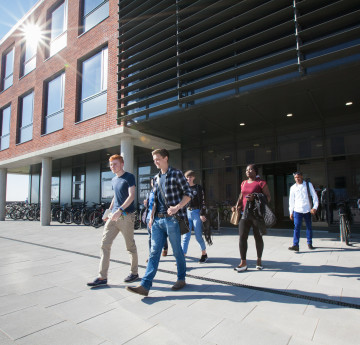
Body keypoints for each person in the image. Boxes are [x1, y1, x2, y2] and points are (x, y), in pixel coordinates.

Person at [126, 148, 192, 296]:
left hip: (172, 220)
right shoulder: (155, 178)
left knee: (177, 251)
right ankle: (145, 285)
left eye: (158, 159)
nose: (155, 162)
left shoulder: (176, 174)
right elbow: (155, 200)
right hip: (157, 221)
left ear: (166, 158)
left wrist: (177, 207)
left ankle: (181, 278)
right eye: (154, 159)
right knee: (154, 252)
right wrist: (151, 217)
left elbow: (189, 194)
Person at [87, 154, 139, 287]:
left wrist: (120, 210)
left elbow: (132, 196)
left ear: (122, 164)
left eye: (115, 164)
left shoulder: (129, 177)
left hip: (125, 216)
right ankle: (102, 277)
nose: (113, 167)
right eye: (111, 165)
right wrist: (108, 212)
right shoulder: (114, 180)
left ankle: (134, 273)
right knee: (105, 244)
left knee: (130, 246)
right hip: (113, 216)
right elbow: (115, 198)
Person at [232, 164, 271, 272]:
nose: (248, 171)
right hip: (245, 214)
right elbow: (241, 196)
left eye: (250, 169)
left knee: (258, 237)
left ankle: (259, 260)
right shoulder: (243, 183)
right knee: (242, 237)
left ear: (255, 171)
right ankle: (243, 262)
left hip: (257, 215)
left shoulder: (261, 183)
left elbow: (268, 197)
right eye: (246, 170)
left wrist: (256, 197)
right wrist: (236, 206)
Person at [182, 170, 209, 263]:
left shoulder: (198, 187)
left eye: (190, 177)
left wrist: (202, 213)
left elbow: (203, 201)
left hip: (196, 212)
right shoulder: (184, 188)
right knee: (185, 236)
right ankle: (182, 256)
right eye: (187, 177)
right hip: (187, 212)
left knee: (198, 236)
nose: (189, 179)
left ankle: (204, 254)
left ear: (193, 177)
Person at [288, 172, 318, 251]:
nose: (297, 179)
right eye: (295, 177)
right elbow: (291, 201)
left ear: (302, 176)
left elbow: (315, 197)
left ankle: (309, 243)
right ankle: (295, 245)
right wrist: (291, 212)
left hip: (308, 210)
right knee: (297, 227)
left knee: (309, 227)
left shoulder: (308, 185)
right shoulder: (293, 188)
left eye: (298, 177)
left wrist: (315, 207)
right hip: (297, 210)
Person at [144, 178, 168, 258]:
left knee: (161, 235)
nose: (153, 183)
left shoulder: (160, 192)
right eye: (152, 182)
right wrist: (146, 204)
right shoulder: (149, 193)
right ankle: (151, 254)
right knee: (150, 236)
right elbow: (149, 205)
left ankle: (165, 247)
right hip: (149, 216)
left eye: (155, 182)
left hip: (157, 216)